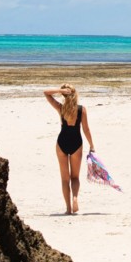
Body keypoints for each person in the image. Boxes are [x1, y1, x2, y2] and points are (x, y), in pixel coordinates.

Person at [43, 84, 95, 214]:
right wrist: (92, 145)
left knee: (64, 179)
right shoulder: (81, 110)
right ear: (74, 94)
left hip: (62, 143)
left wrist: (59, 91)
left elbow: (46, 93)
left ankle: (68, 209)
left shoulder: (60, 108)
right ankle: (75, 198)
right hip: (76, 143)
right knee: (75, 177)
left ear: (64, 95)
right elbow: (86, 129)